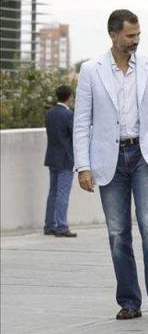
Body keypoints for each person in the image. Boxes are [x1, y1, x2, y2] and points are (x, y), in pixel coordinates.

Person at [73, 9, 148, 323]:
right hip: (109, 158)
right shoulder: (91, 70)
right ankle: (129, 301)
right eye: (130, 36)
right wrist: (82, 166)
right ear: (113, 35)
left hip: (144, 155)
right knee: (118, 234)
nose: (135, 41)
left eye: (138, 35)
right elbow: (81, 123)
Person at [43, 85, 77, 237]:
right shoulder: (68, 115)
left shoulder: (49, 113)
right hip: (65, 158)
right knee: (63, 192)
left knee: (53, 192)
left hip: (52, 157)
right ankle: (62, 226)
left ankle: (50, 225)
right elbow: (75, 134)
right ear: (69, 97)